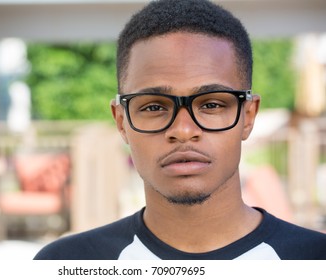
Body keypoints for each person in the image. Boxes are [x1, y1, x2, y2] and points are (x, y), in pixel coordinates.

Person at [34, 0, 326, 260]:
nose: (183, 130)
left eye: (211, 104)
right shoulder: (68, 263)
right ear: (122, 122)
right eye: (153, 107)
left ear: (248, 116)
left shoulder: (314, 259)